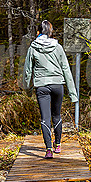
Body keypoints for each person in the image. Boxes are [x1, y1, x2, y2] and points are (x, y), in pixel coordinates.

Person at [22, 20, 79, 158]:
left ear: (38, 32)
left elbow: (27, 71)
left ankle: (48, 149)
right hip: (57, 85)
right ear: (50, 32)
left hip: (41, 86)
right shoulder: (58, 47)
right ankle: (58, 145)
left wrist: (27, 89)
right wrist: (73, 94)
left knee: (45, 118)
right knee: (56, 115)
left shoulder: (32, 48)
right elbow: (66, 69)